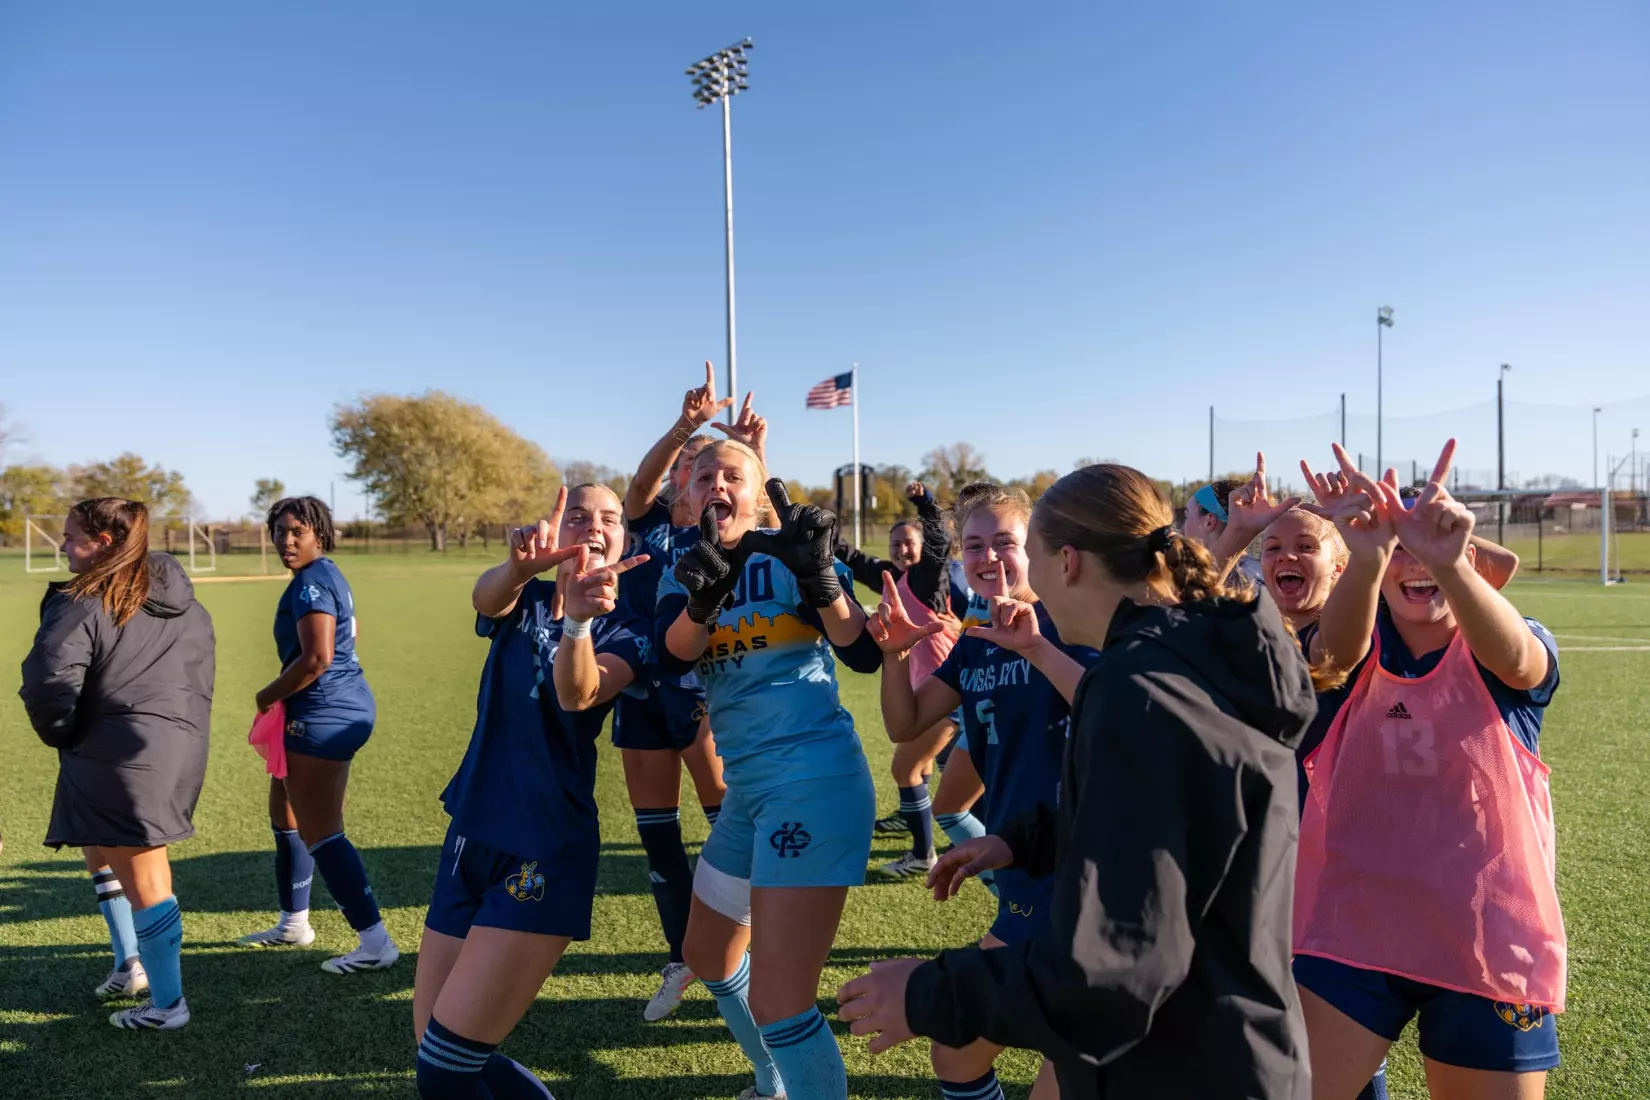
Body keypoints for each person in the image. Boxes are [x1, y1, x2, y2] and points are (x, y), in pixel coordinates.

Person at [839, 462, 1319, 1099]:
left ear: (1066, 562)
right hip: (1229, 1038)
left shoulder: (1138, 688)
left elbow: (1116, 968)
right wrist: (1025, 839)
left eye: (1025, 552)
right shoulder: (1211, 644)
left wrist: (929, 993)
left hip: (1181, 1061)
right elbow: (1172, 818)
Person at [1292, 442, 1565, 1100]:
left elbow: (1522, 661)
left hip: (1489, 939)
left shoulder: (1515, 638)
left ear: (1469, 554)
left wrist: (1453, 567)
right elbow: (1327, 659)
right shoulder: (1351, 638)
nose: (1418, 565)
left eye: (1434, 545)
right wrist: (1364, 555)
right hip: (1351, 930)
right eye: (1401, 551)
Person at [658, 440, 882, 1100]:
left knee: (782, 1003)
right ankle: (772, 1083)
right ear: (689, 497)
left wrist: (822, 581)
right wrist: (701, 603)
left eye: (734, 475)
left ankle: (790, 1076)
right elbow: (670, 658)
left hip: (814, 783)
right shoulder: (684, 568)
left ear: (757, 496)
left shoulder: (786, 556)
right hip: (749, 793)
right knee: (708, 955)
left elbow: (863, 652)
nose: (716, 484)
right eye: (704, 476)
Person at [412, 483, 649, 1099]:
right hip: (471, 827)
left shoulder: (629, 626)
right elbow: (486, 599)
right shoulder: (526, 597)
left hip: (544, 844)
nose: (595, 526)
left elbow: (581, 694)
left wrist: (577, 622)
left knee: (445, 1066)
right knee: (439, 1051)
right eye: (579, 515)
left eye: (609, 519)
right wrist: (519, 567)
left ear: (625, 538)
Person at [865, 482, 1099, 1100]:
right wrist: (892, 655)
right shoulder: (974, 641)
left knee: (1058, 1072)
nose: (988, 557)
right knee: (956, 1053)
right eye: (974, 546)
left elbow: (1118, 717)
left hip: (1086, 874)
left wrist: (1043, 647)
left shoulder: (1071, 624)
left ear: (1040, 549)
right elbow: (905, 724)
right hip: (1023, 867)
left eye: (1005, 543)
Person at [20, 498, 215, 1031]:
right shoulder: (185, 602)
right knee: (99, 851)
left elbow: (47, 682)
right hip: (164, 747)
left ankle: (168, 1006)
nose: (61, 546)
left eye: (70, 537)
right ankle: (131, 964)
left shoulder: (83, 601)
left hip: (118, 751)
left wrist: (64, 733)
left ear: (104, 543)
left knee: (147, 878)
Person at [616, 363, 755, 1020]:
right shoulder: (646, 526)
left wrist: (748, 451)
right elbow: (638, 485)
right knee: (658, 836)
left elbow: (765, 511)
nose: (696, 478)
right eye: (690, 467)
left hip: (698, 691)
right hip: (639, 692)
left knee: (726, 823)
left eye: (710, 471)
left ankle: (737, 950)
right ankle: (681, 958)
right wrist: (684, 426)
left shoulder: (725, 530)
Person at [238, 496, 396, 975]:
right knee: (285, 811)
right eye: (280, 531)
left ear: (319, 536)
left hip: (324, 711)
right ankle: (293, 922)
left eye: (297, 532)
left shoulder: (312, 582)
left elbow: (317, 658)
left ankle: (375, 942)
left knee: (322, 830)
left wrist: (266, 695)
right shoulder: (326, 575)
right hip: (324, 705)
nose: (286, 541)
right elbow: (351, 635)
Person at [837, 481, 966, 876]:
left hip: (945, 694)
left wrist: (925, 503)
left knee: (909, 771)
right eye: (895, 545)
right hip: (928, 694)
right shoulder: (894, 578)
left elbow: (939, 543)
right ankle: (918, 823)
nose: (901, 550)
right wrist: (817, 534)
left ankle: (925, 855)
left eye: (908, 543)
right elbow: (853, 558)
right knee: (926, 769)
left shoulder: (928, 578)